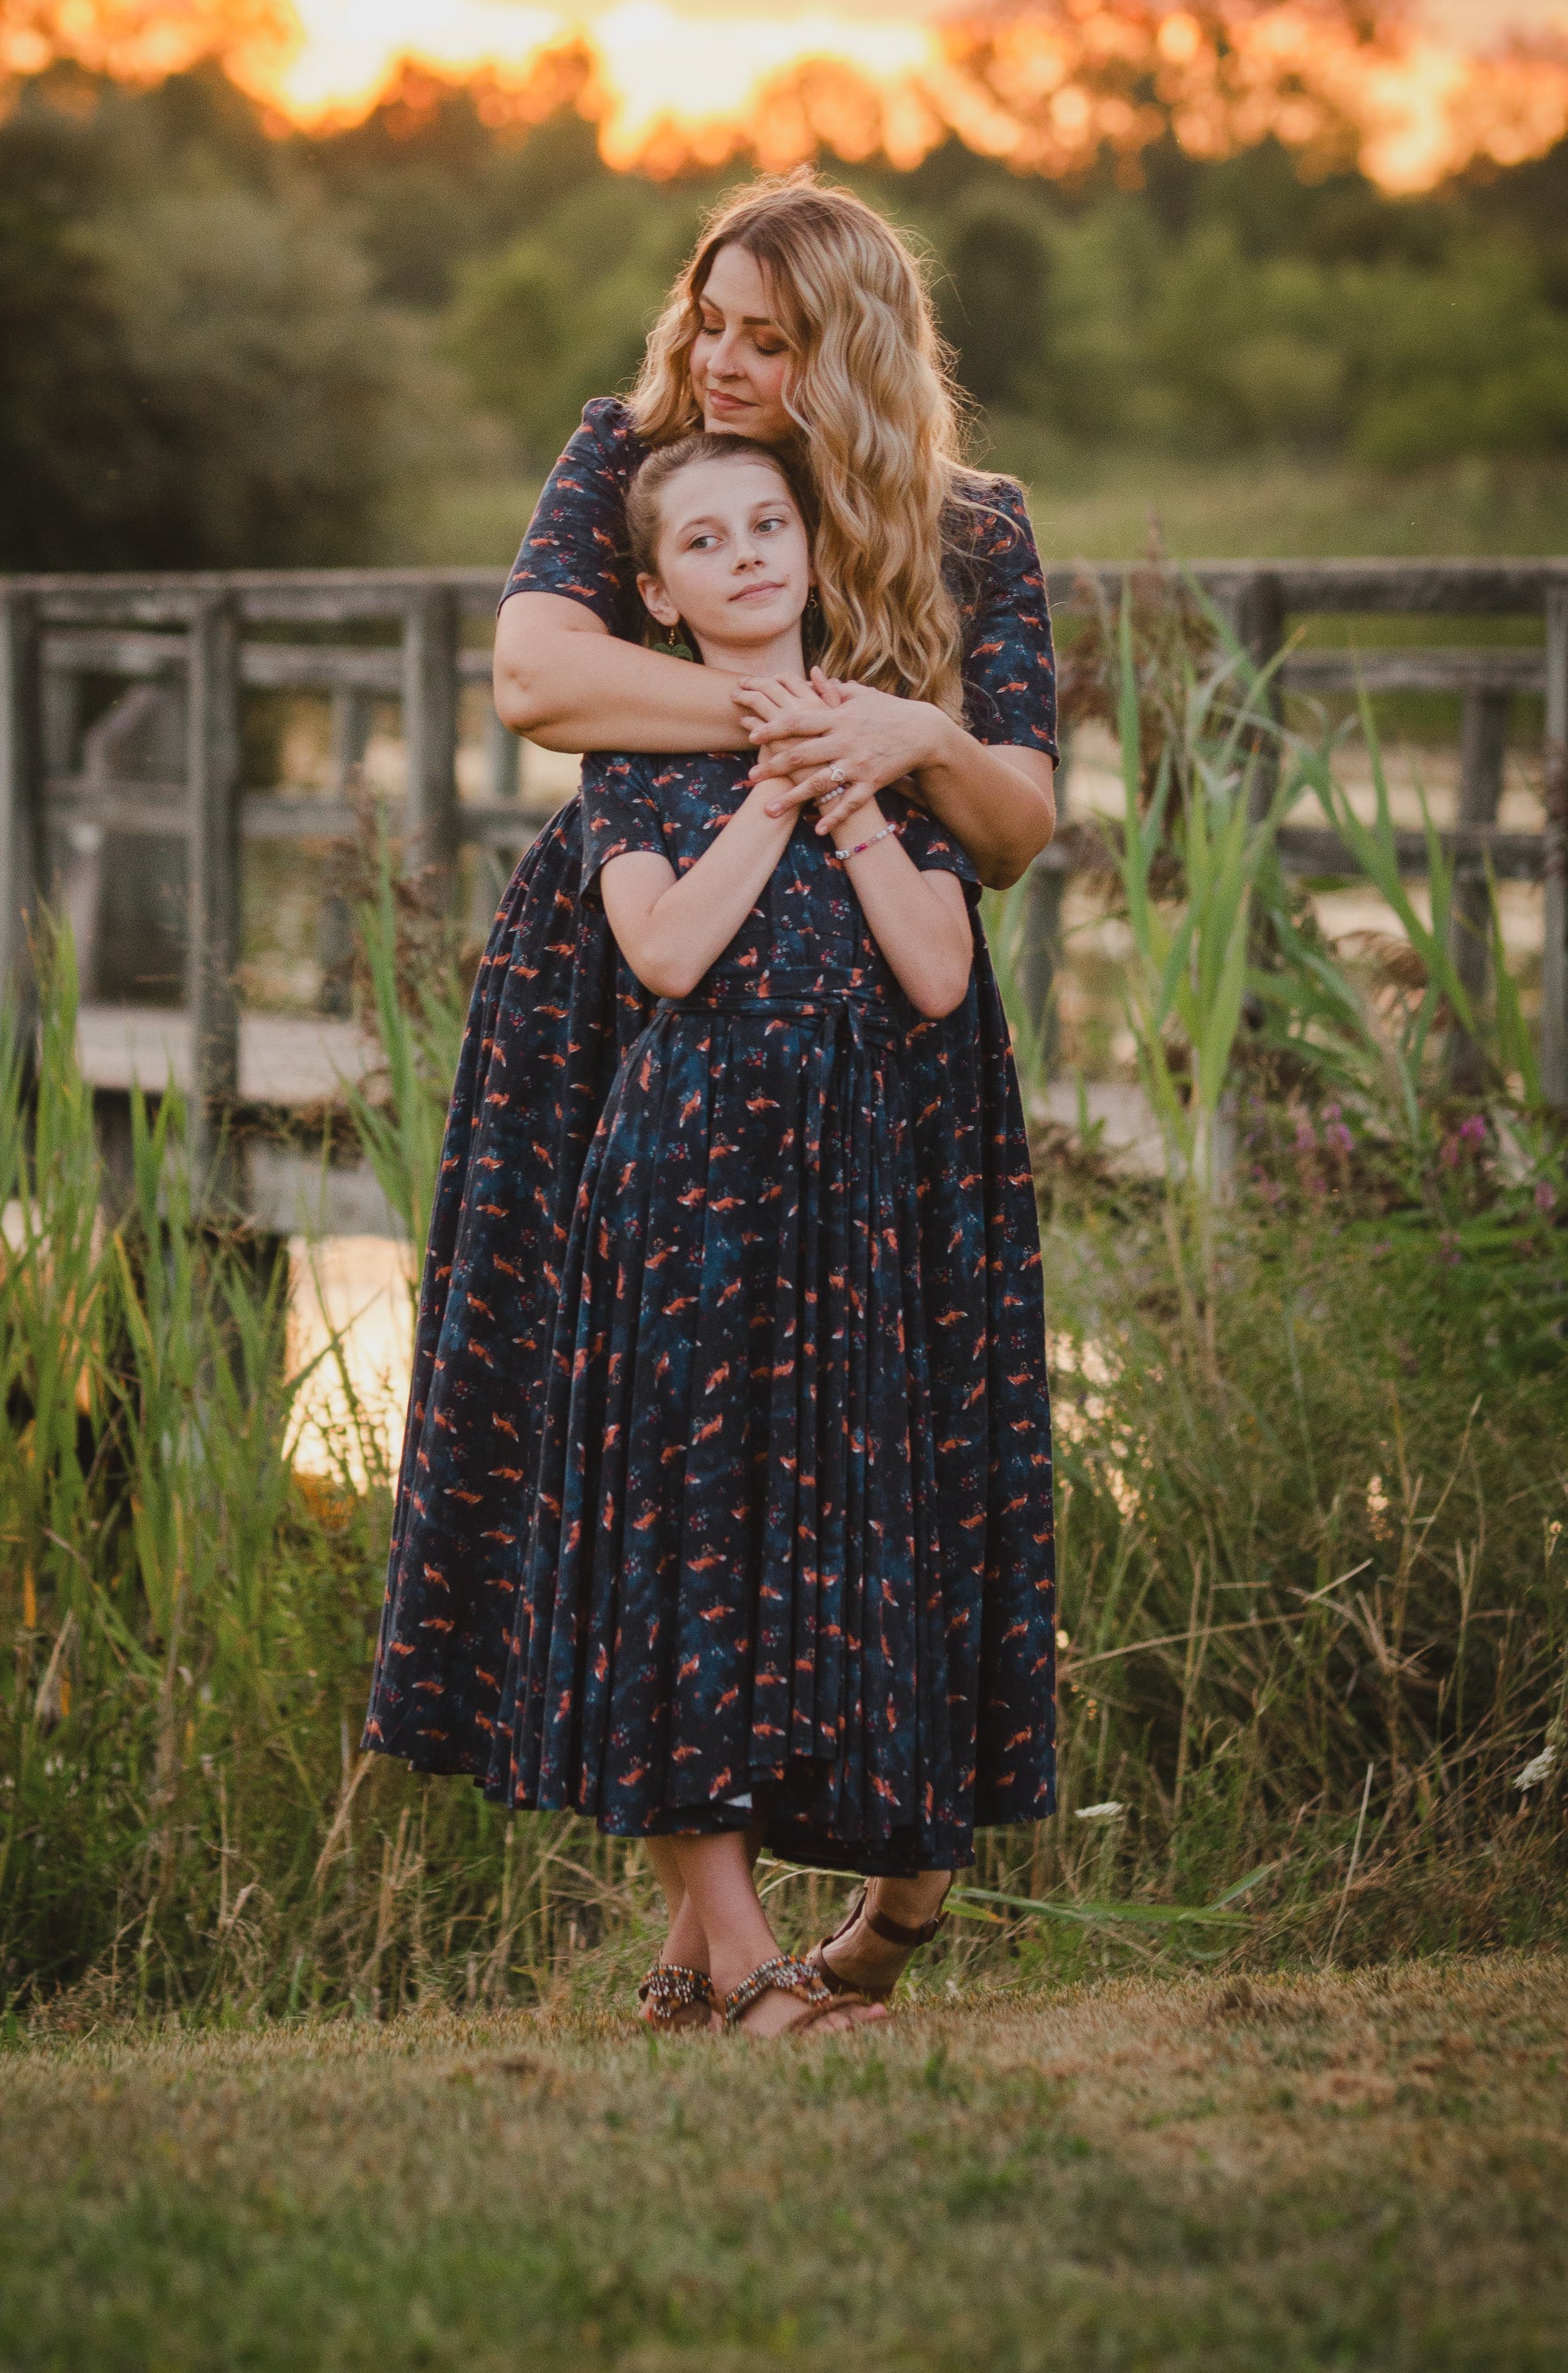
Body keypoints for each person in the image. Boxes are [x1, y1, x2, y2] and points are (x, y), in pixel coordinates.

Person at [365, 170, 1059, 2023]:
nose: (727, 362)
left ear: (848, 352)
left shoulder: (973, 529)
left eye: (772, 336)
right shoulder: (631, 457)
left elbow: (1015, 819)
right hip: (636, 988)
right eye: (713, 319)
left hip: (886, 1039)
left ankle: (779, 1932)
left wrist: (905, 737)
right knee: (633, 1418)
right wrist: (785, 723)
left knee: (881, 1436)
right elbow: (537, 674)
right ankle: (726, 1934)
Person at [497, 430, 984, 2035]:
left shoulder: (880, 743)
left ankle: (708, 1952)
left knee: (809, 1544)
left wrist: (847, 788)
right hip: (682, 1183)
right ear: (656, 592)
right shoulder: (634, 755)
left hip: (840, 1198)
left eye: (769, 524)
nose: (750, 555)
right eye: (705, 542)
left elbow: (934, 975)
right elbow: (663, 954)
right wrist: (770, 800)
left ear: (810, 548)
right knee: (679, 1544)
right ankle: (740, 1952)